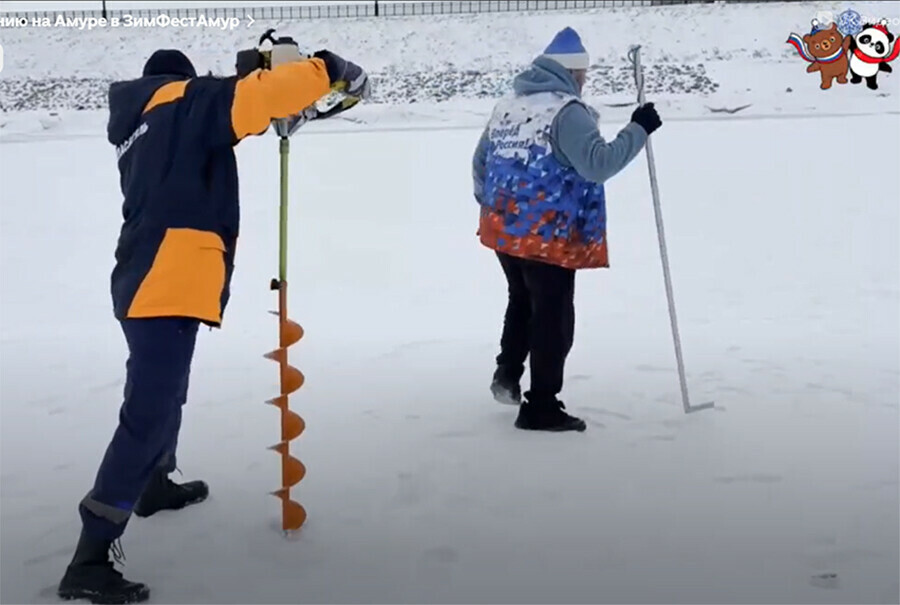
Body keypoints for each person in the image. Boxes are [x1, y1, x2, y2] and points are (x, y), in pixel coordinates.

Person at [57, 47, 369, 604]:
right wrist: (327, 67)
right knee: (147, 414)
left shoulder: (146, 119)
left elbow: (229, 112)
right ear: (183, 79)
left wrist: (247, 81)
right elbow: (255, 100)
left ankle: (153, 484)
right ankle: (90, 555)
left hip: (150, 274)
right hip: (165, 279)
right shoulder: (182, 100)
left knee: (164, 395)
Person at [472, 27, 662, 432]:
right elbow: (598, 163)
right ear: (573, 74)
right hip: (548, 234)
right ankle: (540, 405)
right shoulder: (566, 111)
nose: (584, 81)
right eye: (583, 75)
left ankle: (507, 374)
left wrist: (494, 207)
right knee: (552, 315)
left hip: (504, 229)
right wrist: (638, 130)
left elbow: (480, 162)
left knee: (522, 298)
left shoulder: (509, 105)